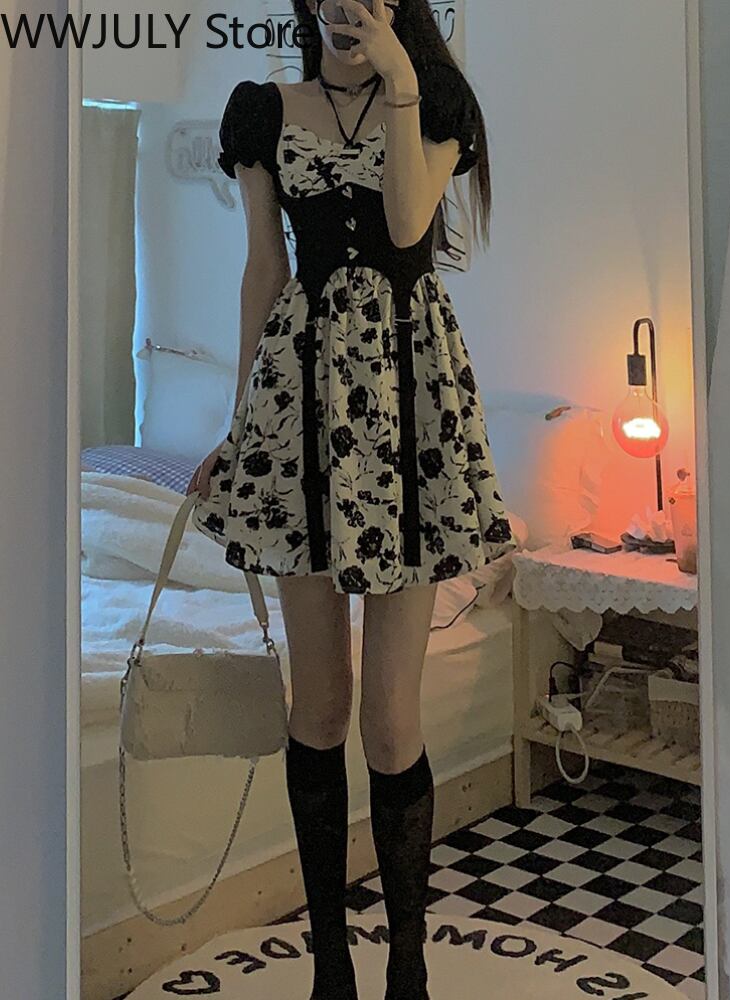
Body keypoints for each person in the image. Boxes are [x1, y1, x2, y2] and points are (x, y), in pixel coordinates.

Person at [188, 1, 515, 997]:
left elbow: (409, 226)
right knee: (320, 705)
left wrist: (401, 78)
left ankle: (407, 969)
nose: (344, 4)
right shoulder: (262, 110)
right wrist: (242, 427)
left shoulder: (438, 99)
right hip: (301, 408)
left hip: (410, 406)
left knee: (389, 718)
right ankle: (331, 967)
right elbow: (264, 267)